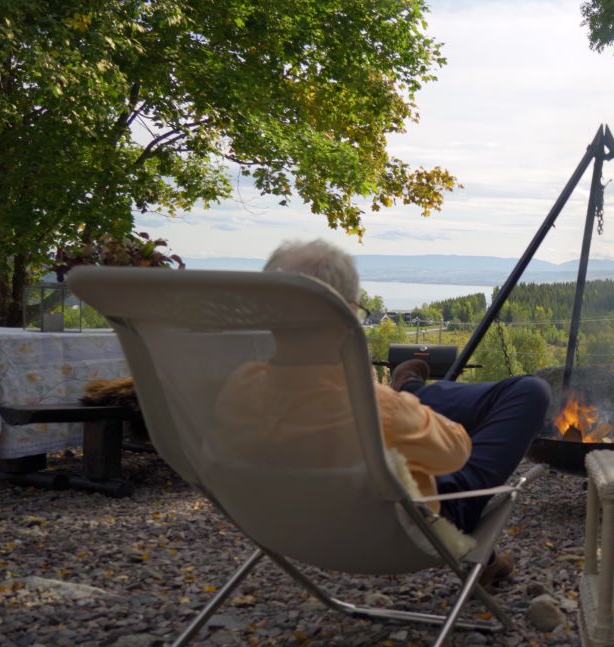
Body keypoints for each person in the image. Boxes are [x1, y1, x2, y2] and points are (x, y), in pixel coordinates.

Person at [220, 239, 550, 588]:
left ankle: (412, 389)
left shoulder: (238, 389)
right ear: (345, 314)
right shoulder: (374, 408)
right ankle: (412, 390)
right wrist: (408, 409)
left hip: (284, 526)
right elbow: (456, 452)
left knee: (412, 414)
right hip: (412, 525)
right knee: (530, 391)